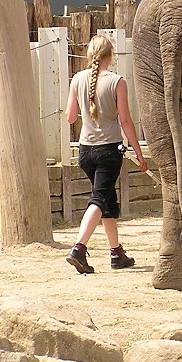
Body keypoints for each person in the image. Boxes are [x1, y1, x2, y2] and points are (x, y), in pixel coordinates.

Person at [64, 34, 148, 274]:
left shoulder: (77, 79)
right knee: (99, 200)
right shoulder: (117, 82)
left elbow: (70, 117)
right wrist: (139, 154)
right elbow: (125, 119)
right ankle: (79, 249)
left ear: (90, 55)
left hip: (85, 151)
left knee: (108, 202)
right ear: (110, 56)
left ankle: (116, 253)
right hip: (108, 151)